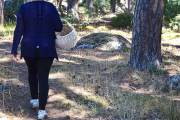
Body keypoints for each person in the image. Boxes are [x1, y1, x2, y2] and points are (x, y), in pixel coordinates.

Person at [10, 0, 63, 119]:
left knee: (32, 73)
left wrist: (14, 50)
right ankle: (42, 111)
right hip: (47, 47)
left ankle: (34, 100)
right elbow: (59, 27)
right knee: (43, 79)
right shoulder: (51, 7)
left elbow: (19, 30)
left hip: (28, 46)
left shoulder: (24, 8)